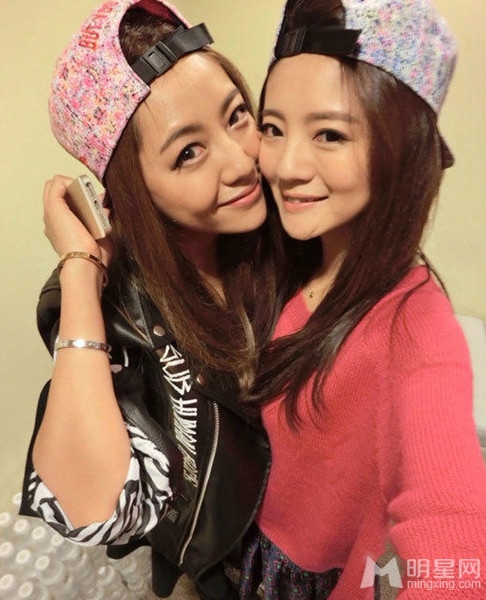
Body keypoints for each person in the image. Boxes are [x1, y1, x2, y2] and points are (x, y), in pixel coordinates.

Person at [19, 1, 284, 598]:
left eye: (237, 116)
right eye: (189, 152)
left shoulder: (288, 225)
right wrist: (81, 266)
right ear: (132, 190)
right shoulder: (113, 304)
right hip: (224, 565)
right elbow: (90, 506)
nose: (241, 161)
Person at [239, 0, 486, 598]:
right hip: (243, 542)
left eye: (330, 134)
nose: (286, 167)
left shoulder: (416, 326)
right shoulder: (289, 255)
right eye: (272, 128)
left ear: (401, 150)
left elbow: (452, 526)